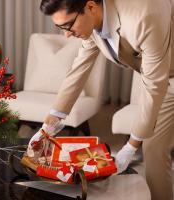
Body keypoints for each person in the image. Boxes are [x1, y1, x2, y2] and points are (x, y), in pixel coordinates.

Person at [28, 0, 174, 199]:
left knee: (150, 145)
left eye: (68, 25)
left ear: (90, 7)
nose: (66, 34)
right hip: (164, 78)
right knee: (154, 150)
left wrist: (131, 145)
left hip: (164, 77)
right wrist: (47, 127)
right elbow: (78, 70)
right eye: (60, 27)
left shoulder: (143, 18)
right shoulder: (93, 21)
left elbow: (154, 85)